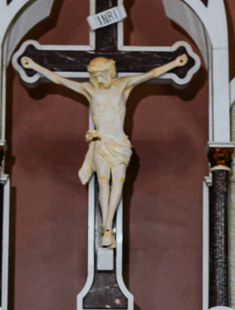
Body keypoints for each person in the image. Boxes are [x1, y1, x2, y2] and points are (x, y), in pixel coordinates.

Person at [19, 52, 187, 247]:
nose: (99, 80)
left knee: (119, 183)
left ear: (110, 72)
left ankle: (108, 227)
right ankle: (106, 231)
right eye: (96, 76)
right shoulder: (89, 89)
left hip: (119, 144)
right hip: (100, 142)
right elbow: (60, 80)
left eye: (102, 75)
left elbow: (152, 74)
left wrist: (175, 63)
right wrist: (35, 66)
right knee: (103, 181)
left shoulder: (123, 85)